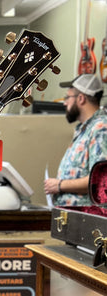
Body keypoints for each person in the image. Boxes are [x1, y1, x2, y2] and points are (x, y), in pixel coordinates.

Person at [44, 74, 107, 206]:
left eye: (67, 97)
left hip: (88, 219)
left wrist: (60, 185)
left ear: (81, 98)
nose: (65, 102)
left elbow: (101, 180)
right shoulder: (85, 129)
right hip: (74, 217)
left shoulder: (100, 129)